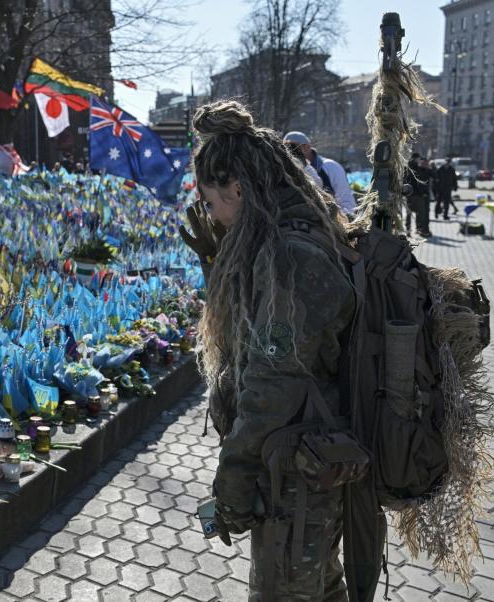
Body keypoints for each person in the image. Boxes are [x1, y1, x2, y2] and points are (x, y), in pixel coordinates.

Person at [181, 100, 355, 601]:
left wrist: (232, 481)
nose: (210, 213)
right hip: (311, 462)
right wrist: (216, 259)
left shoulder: (288, 258)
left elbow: (270, 387)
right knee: (322, 584)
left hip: (297, 477)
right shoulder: (289, 233)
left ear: (238, 189)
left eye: (211, 202)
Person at [283, 131, 357, 218]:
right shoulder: (286, 171)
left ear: (307, 147)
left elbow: (346, 200)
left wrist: (344, 220)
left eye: (294, 148)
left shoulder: (330, 167)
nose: (291, 153)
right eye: (286, 149)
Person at [404, 153, 432, 236]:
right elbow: (421, 182)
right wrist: (423, 193)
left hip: (408, 194)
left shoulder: (406, 168)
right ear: (416, 159)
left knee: (409, 213)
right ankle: (418, 229)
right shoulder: (418, 168)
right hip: (418, 195)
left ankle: (408, 229)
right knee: (419, 213)